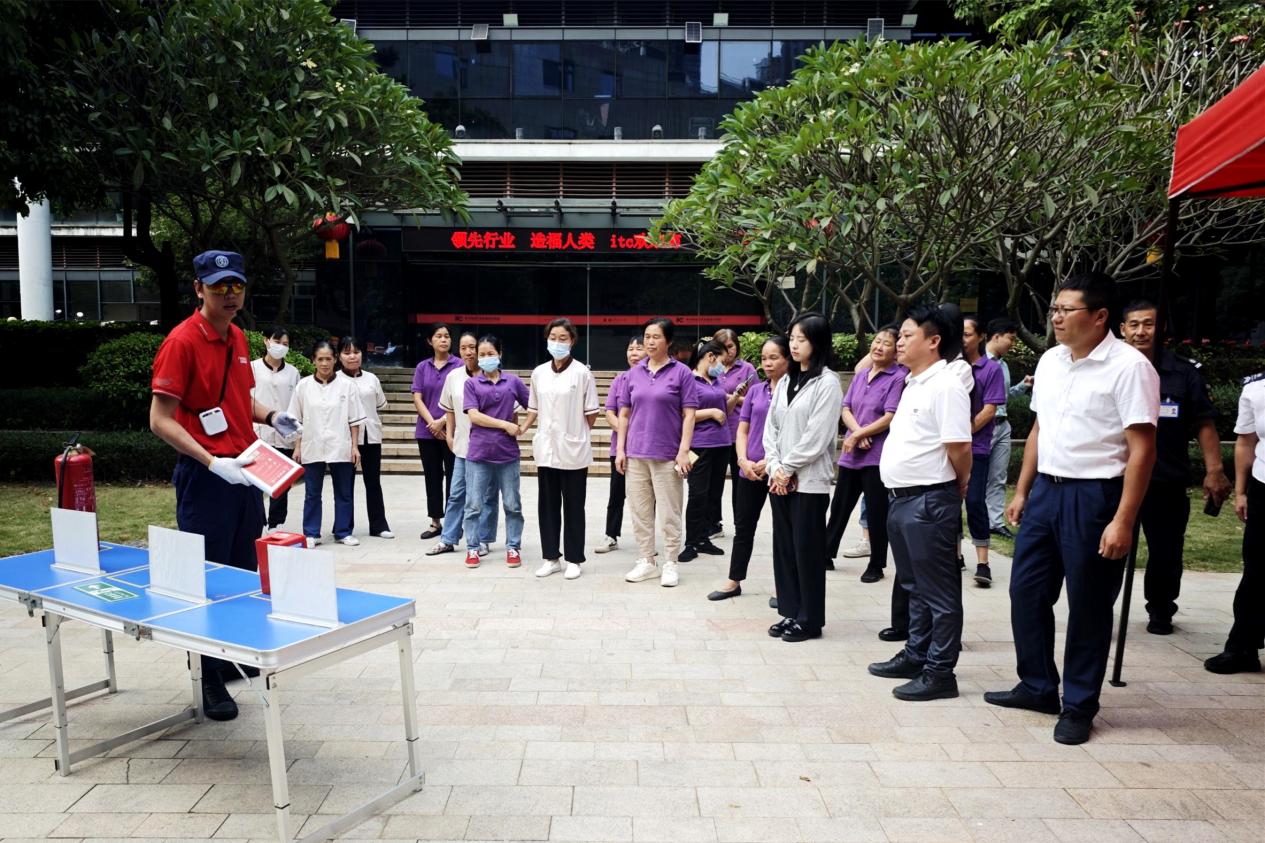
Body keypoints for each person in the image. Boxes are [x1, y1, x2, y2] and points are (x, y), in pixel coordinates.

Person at [986, 272, 1158, 746]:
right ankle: (1038, 685)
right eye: (1055, 310)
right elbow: (1040, 429)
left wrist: (1123, 519)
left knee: (1087, 604)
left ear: (1100, 317)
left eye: (1067, 310)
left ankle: (1079, 704)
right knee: (1026, 590)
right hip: (1046, 491)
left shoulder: (1130, 368)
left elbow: (1142, 449)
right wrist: (1021, 490)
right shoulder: (1052, 361)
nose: (1057, 318)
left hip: (1095, 496)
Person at [150, 250, 301, 721]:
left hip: (245, 471)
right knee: (208, 577)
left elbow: (240, 401)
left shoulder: (238, 337)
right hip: (207, 475)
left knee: (241, 572)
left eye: (236, 286)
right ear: (199, 288)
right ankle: (208, 677)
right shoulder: (181, 341)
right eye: (219, 287)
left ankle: (229, 657)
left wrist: (272, 415)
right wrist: (212, 461)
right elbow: (159, 420)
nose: (229, 295)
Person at [868, 304, 972, 701]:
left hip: (929, 500)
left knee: (940, 593)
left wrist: (959, 482)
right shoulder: (915, 381)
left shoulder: (946, 385)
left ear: (934, 341)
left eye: (908, 335)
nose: (899, 342)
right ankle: (916, 653)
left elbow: (959, 446)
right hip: (902, 499)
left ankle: (940, 671)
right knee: (914, 585)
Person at [1120, 300, 1231, 634]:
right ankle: (1096, 609)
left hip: (1165, 480)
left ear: (1161, 328)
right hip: (1115, 478)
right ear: (1122, 329)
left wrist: (1214, 470)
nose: (1141, 331)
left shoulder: (1184, 372)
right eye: (1134, 324)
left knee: (1166, 553)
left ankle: (1161, 610)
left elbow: (1204, 423)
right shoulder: (1111, 369)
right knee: (1105, 548)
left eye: (1149, 324)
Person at [764, 313, 843, 642]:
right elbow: (771, 429)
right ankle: (790, 611)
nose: (794, 345)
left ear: (818, 342)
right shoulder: (785, 381)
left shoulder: (828, 383)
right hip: (780, 478)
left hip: (809, 481)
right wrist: (775, 466)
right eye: (792, 338)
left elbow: (818, 435)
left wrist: (789, 468)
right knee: (783, 548)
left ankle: (810, 619)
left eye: (802, 339)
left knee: (806, 550)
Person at [616, 317, 698, 588]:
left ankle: (671, 562)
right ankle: (647, 560)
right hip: (636, 453)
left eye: (656, 337)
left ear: (669, 341)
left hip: (667, 454)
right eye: (646, 337)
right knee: (640, 511)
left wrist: (684, 450)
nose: (649, 342)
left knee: (670, 511)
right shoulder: (633, 373)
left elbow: (689, 414)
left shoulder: (682, 372)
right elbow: (624, 414)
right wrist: (620, 449)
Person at [708, 335, 789, 601]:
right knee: (744, 528)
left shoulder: (795, 392)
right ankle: (734, 581)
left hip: (778, 471)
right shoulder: (755, 390)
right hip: (750, 468)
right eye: (764, 358)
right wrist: (742, 460)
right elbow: (742, 428)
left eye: (774, 357)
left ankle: (783, 586)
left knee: (782, 530)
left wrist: (771, 462)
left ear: (788, 358)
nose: (767, 363)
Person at [825, 325, 906, 583]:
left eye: (886, 343)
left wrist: (859, 435)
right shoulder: (861, 375)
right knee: (839, 507)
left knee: (876, 511)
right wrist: (858, 433)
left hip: (877, 455)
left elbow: (890, 416)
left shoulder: (898, 377)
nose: (879, 346)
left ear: (896, 351)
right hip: (852, 453)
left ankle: (876, 564)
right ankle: (825, 553)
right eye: (877, 341)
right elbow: (845, 407)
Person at [522, 319, 600, 580]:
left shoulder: (582, 373)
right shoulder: (538, 373)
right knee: (548, 505)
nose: (557, 342)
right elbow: (534, 408)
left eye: (563, 338)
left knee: (575, 506)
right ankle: (551, 557)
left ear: (572, 341)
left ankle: (574, 558)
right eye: (553, 337)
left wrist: (573, 430)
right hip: (547, 449)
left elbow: (591, 414)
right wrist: (522, 429)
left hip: (573, 449)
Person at [1205, 370, 1265, 674]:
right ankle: (1242, 647)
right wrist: (1241, 491)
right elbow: (1245, 443)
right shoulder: (1256, 389)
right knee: (1256, 571)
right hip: (1263, 487)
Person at [427, 331, 498, 557]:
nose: (468, 352)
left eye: (472, 347)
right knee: (457, 493)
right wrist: (449, 434)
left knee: (487, 496)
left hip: (488, 448)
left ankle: (484, 539)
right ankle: (448, 538)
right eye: (463, 348)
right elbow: (449, 409)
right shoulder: (454, 377)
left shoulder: (493, 376)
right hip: (462, 446)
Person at [289, 340, 365, 547]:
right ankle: (311, 533)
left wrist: (355, 446)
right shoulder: (303, 386)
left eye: (328, 359)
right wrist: (297, 446)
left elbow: (355, 419)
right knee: (312, 492)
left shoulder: (347, 386)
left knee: (344, 492)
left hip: (341, 444)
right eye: (320, 359)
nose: (324, 363)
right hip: (311, 445)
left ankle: (343, 531)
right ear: (313, 360)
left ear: (335, 360)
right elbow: (296, 419)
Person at [463, 335, 529, 569]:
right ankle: (473, 547)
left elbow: (534, 405)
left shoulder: (512, 382)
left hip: (507, 454)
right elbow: (474, 415)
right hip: (479, 453)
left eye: (490, 353)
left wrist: (524, 426)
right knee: (474, 504)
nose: (486, 358)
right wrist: (506, 424)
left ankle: (513, 546)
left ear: (499, 354)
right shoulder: (471, 383)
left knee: (512, 504)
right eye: (482, 354)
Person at [962, 316, 1007, 588]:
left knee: (975, 501)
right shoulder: (949, 367)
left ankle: (983, 562)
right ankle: (954, 556)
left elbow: (990, 409)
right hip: (945, 450)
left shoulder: (991, 369)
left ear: (980, 337)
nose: (962, 339)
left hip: (976, 447)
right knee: (947, 505)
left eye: (967, 334)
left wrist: (961, 433)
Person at [680, 338, 733, 562]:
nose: (723, 366)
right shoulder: (689, 380)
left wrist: (735, 398)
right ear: (710, 357)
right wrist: (711, 412)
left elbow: (724, 411)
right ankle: (691, 542)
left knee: (713, 494)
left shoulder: (716, 381)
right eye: (721, 360)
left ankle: (704, 538)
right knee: (698, 494)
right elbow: (683, 413)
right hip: (700, 444)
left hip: (722, 443)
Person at [337, 336, 393, 539]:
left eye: (356, 352)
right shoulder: (335, 380)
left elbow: (380, 404)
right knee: (345, 484)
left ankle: (379, 525)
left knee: (373, 482)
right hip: (345, 440)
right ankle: (343, 527)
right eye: (346, 352)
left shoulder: (371, 379)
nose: (352, 356)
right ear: (339, 356)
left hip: (371, 437)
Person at [594, 337, 645, 554]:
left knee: (646, 497)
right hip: (620, 449)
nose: (633, 352)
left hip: (645, 448)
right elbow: (609, 412)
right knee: (616, 494)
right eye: (630, 348)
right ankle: (611, 535)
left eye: (638, 348)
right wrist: (626, 432)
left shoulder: (652, 378)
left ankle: (646, 538)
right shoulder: (620, 379)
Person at [983, 317, 1032, 538]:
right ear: (996, 336)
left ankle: (994, 522)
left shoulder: (1002, 365)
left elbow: (1002, 397)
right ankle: (977, 520)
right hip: (984, 427)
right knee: (975, 478)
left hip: (1003, 426)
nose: (1012, 343)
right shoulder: (979, 363)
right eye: (1010, 339)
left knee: (998, 477)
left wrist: (1022, 387)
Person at [412, 323, 461, 539]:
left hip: (451, 430)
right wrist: (432, 422)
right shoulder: (422, 367)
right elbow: (417, 397)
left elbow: (461, 399)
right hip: (426, 432)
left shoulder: (459, 365)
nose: (444, 340)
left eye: (447, 336)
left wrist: (442, 421)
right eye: (439, 336)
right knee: (432, 477)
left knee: (454, 477)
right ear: (429, 341)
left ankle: (454, 522)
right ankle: (435, 522)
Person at [251, 325, 300, 530]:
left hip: (284, 435)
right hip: (257, 435)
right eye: (277, 342)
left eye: (285, 344)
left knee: (281, 483)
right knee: (255, 483)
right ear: (266, 341)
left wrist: (298, 443)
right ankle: (257, 521)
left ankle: (276, 523)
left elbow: (297, 408)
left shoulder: (293, 373)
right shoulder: (252, 368)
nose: (281, 347)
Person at [712, 328, 757, 537]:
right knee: (714, 482)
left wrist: (731, 397)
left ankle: (741, 524)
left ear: (737, 346)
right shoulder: (713, 368)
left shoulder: (747, 369)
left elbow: (757, 399)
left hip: (739, 431)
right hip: (716, 432)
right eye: (723, 347)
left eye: (730, 346)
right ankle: (714, 524)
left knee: (740, 483)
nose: (728, 351)